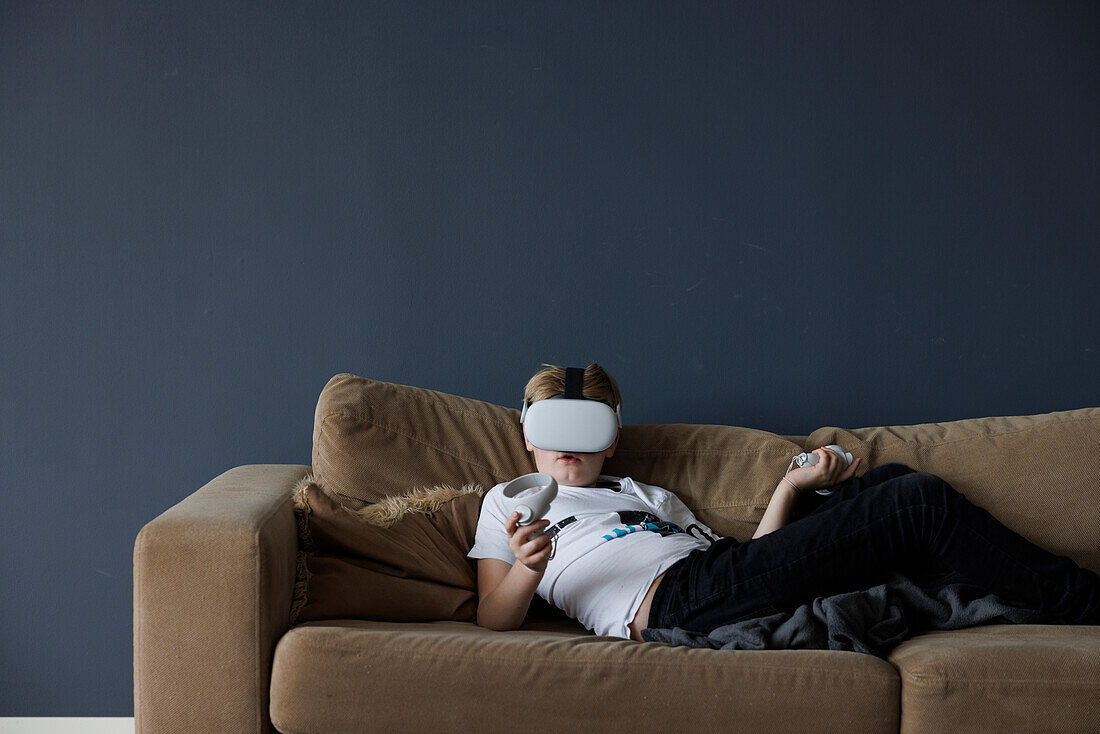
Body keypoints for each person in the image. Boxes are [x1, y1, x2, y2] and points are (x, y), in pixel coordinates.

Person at [468, 363, 1100, 641]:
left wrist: (790, 490)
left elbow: (754, 561)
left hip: (713, 578)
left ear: (611, 439)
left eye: (586, 430)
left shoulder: (646, 495)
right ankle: (1084, 600)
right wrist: (529, 567)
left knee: (892, 483)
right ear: (528, 432)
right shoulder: (507, 502)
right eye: (553, 429)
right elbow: (493, 618)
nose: (567, 449)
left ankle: (1038, 593)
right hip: (667, 604)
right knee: (919, 502)